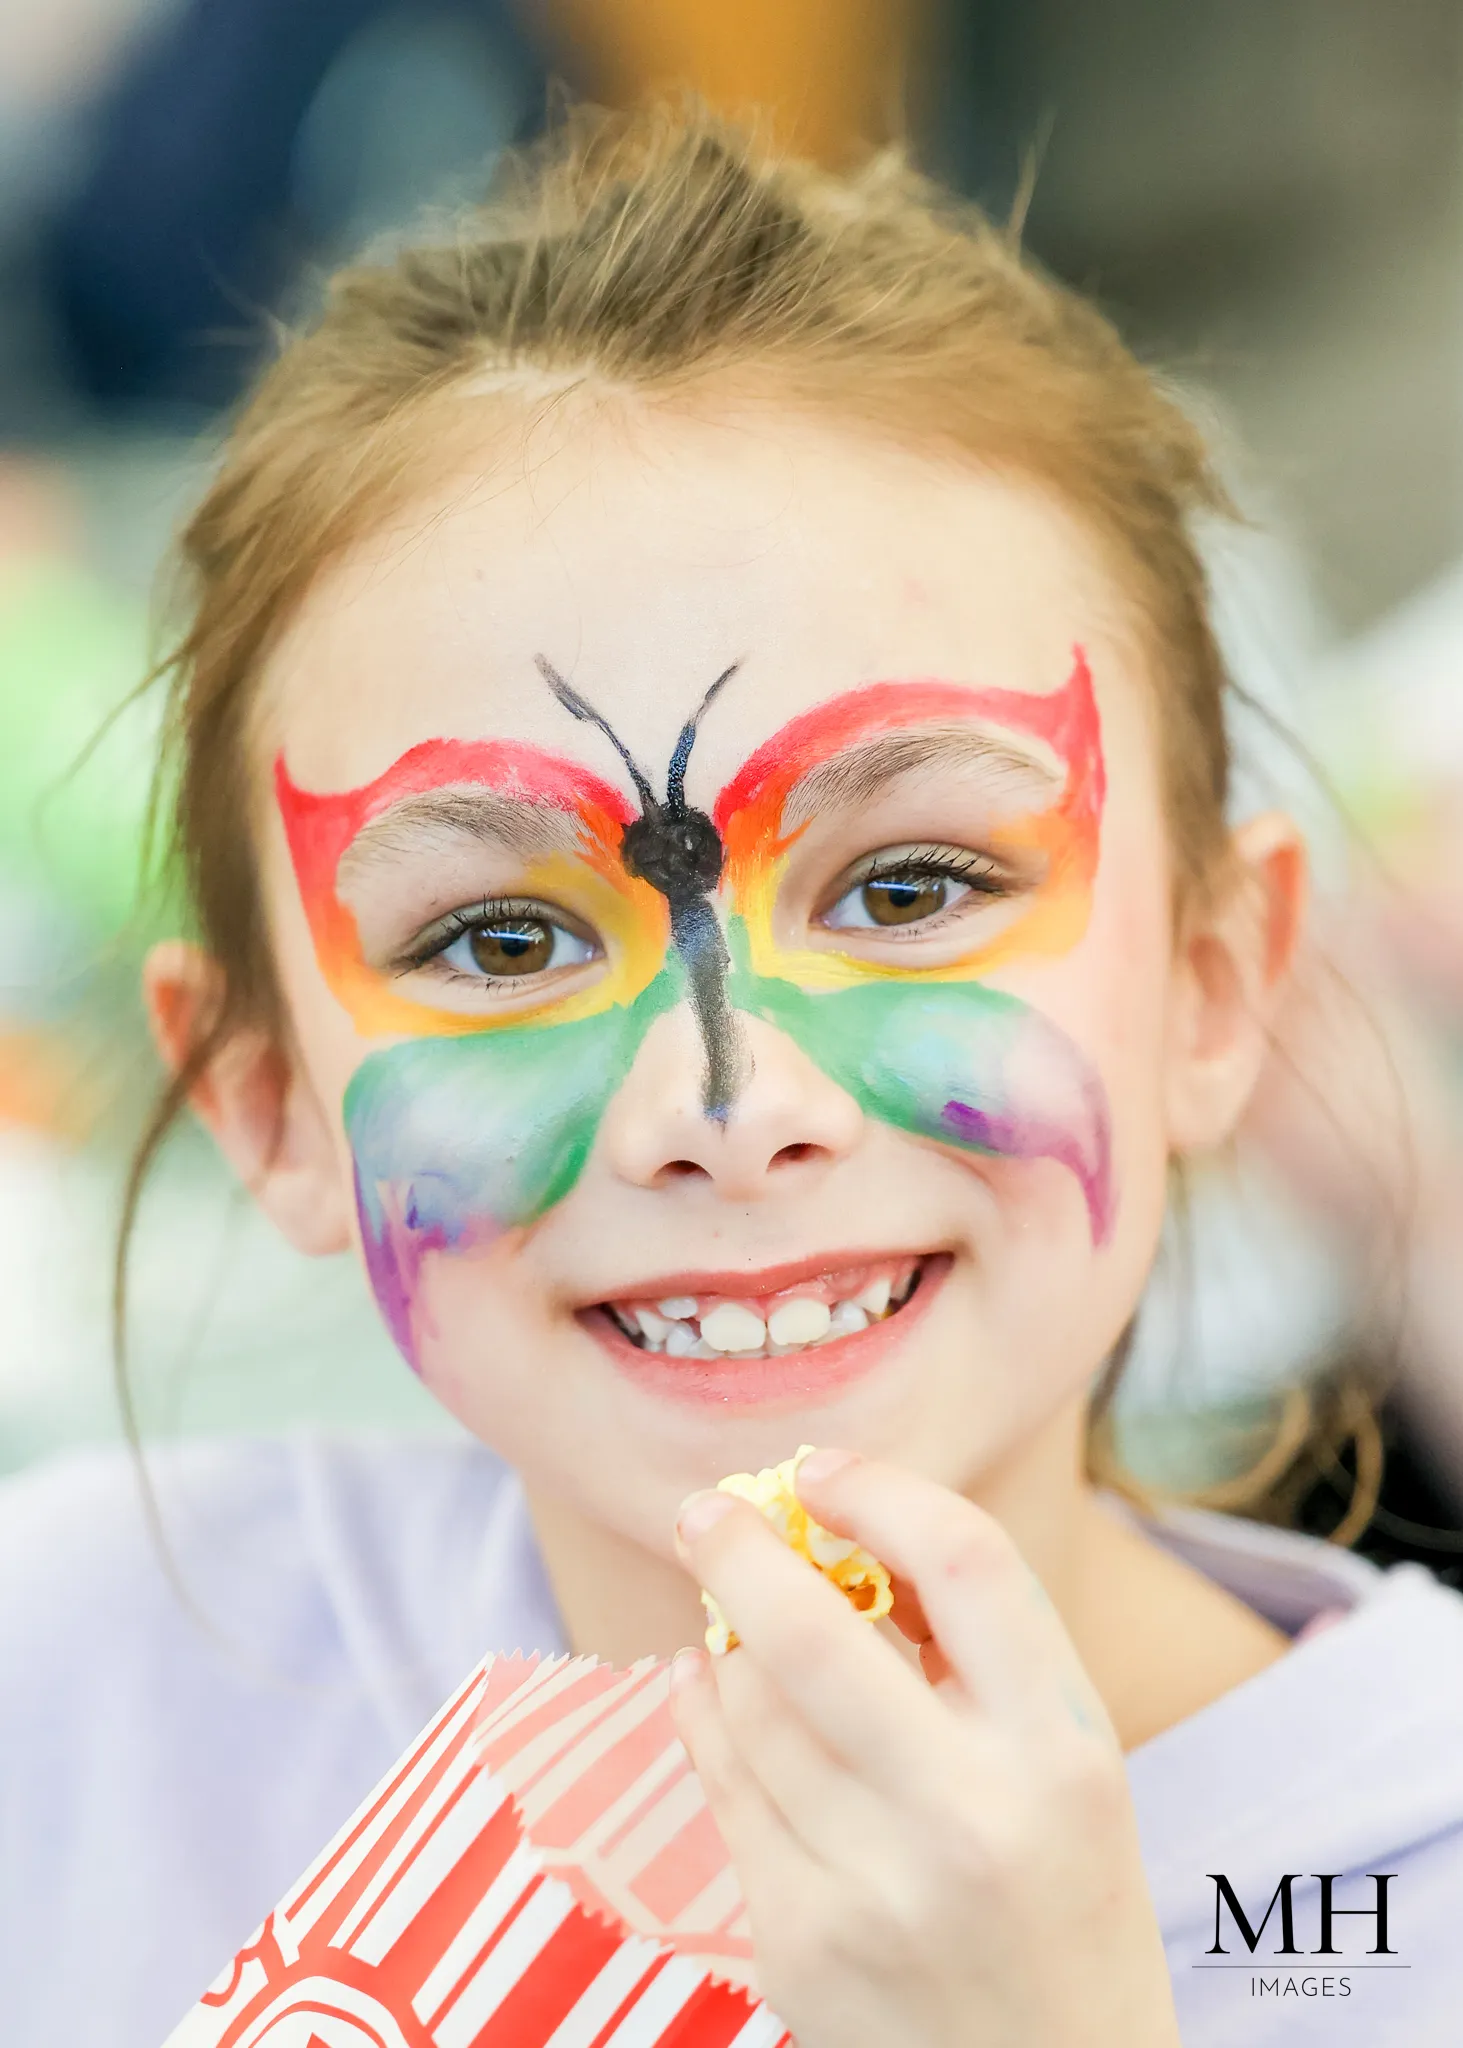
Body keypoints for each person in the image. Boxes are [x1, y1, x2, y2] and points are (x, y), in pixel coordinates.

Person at [3, 101, 1462, 2048]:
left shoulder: (1404, 1889)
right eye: (498, 941)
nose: (728, 1101)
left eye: (912, 883)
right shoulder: (96, 1685)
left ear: (1209, 987)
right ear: (262, 1099)